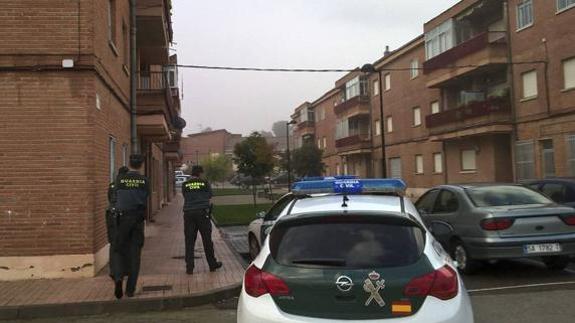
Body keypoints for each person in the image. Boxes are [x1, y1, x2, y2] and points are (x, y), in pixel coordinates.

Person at [107, 155, 149, 299]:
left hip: (121, 219)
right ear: (141, 165)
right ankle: (130, 289)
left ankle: (118, 278)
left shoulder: (119, 180)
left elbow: (114, 197)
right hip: (137, 220)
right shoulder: (144, 181)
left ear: (129, 163)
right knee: (135, 254)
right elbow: (145, 198)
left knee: (118, 249)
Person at [182, 165, 222, 274]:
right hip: (202, 213)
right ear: (199, 173)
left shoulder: (185, 184)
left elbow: (185, 196)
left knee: (189, 241)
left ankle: (189, 267)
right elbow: (209, 196)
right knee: (207, 240)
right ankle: (212, 265)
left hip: (188, 213)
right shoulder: (204, 183)